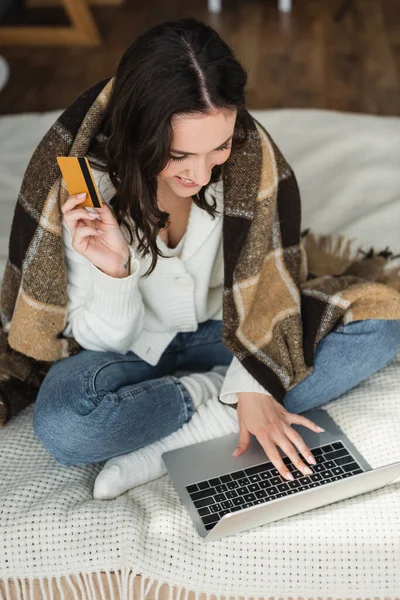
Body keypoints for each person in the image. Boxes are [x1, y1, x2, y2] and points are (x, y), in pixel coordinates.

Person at [33, 18, 400, 485]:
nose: (202, 175)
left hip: (227, 332)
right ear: (140, 131)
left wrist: (250, 377)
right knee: (67, 427)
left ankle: (200, 424)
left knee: (380, 325)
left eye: (218, 147)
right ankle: (214, 395)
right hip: (137, 349)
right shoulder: (86, 184)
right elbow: (103, 342)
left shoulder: (250, 160)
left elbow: (272, 289)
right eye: (179, 154)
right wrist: (114, 271)